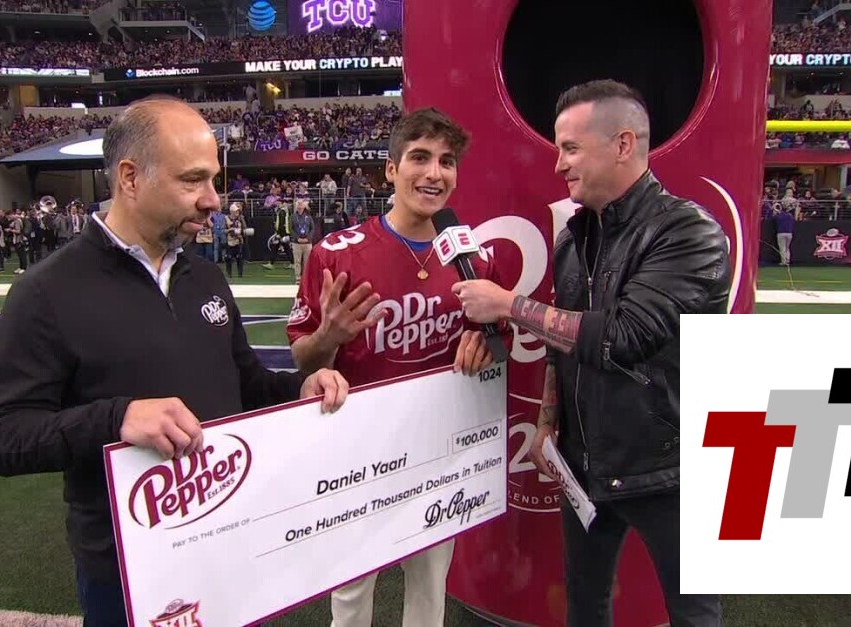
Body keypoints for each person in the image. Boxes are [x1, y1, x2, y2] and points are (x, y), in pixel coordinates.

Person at [0, 96, 350, 627]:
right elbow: (2, 438)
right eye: (193, 180)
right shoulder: (46, 292)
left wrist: (298, 389)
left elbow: (245, 384)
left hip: (228, 542)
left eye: (213, 180)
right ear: (130, 178)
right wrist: (117, 418)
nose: (213, 200)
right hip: (129, 573)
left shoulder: (206, 277)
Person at [451, 80, 728, 627]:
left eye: (571, 148)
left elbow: (623, 336)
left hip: (670, 471)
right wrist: (547, 423)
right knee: (585, 605)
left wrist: (507, 304)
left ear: (623, 144)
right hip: (583, 465)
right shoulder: (574, 238)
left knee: (694, 615)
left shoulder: (689, 232)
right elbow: (562, 345)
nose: (558, 165)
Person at [287, 107, 507, 627]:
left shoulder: (474, 257)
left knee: (430, 590)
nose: (434, 173)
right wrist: (329, 337)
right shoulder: (337, 254)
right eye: (420, 158)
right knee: (351, 594)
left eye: (447, 162)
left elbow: (500, 345)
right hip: (357, 449)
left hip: (439, 445)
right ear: (391, 170)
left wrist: (486, 340)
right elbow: (302, 357)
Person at [290, 198, 314, 283]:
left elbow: (312, 228)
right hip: (297, 243)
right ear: (296, 206)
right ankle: (298, 278)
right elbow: (291, 229)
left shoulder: (308, 217)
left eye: (301, 204)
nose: (300, 206)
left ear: (304, 206)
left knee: (307, 261)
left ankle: (306, 277)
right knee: (297, 261)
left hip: (307, 243)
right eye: (298, 204)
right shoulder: (293, 217)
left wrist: (308, 238)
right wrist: (297, 238)